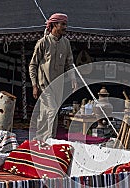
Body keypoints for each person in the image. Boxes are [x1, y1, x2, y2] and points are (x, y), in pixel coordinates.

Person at [29, 13, 77, 141]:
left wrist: (73, 79)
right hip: (44, 84)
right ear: (55, 25)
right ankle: (47, 140)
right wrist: (34, 85)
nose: (65, 27)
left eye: (65, 24)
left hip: (58, 84)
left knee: (50, 113)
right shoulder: (43, 42)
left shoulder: (66, 43)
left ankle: (42, 140)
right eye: (63, 24)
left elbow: (69, 63)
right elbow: (33, 65)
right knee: (51, 110)